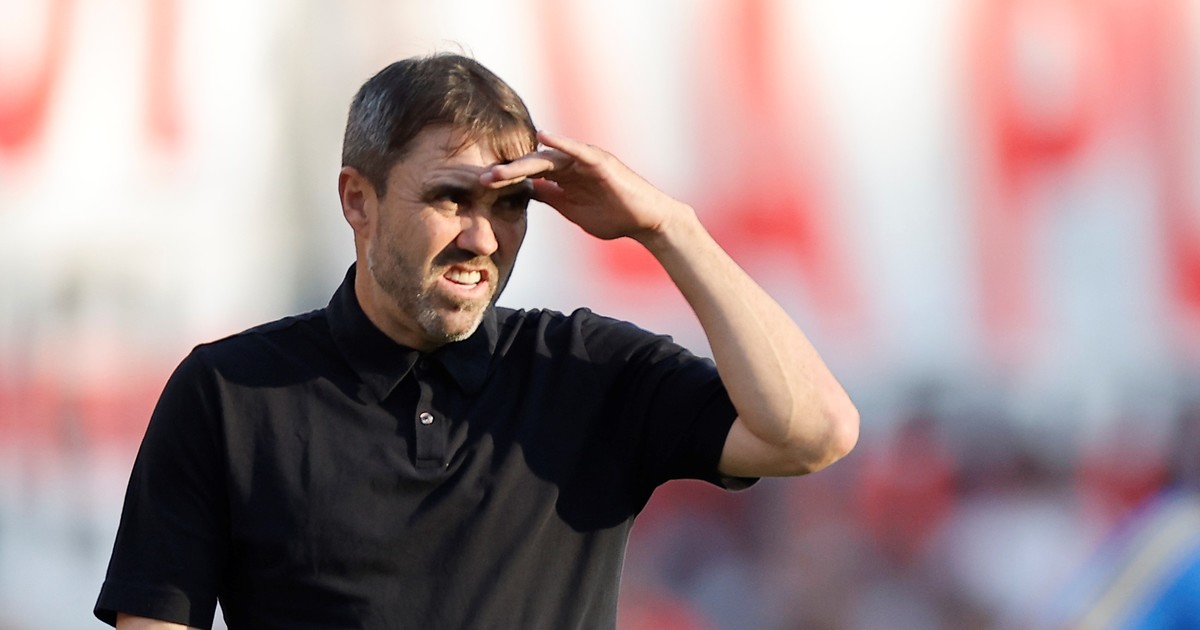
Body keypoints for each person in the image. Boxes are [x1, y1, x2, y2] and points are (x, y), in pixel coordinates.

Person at [94, 53, 859, 629]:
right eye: (451, 198)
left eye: (511, 205)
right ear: (357, 200)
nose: (483, 238)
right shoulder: (228, 393)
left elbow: (815, 432)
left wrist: (669, 227)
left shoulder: (584, 372)